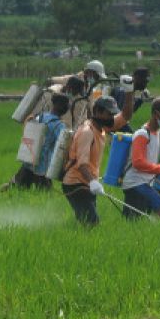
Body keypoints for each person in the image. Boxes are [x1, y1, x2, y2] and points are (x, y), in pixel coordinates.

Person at [61, 96, 119, 227]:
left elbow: (125, 116)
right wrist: (93, 182)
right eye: (109, 114)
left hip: (86, 183)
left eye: (113, 114)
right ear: (97, 111)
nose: (112, 118)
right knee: (92, 223)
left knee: (86, 222)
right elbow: (82, 164)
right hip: (76, 183)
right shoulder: (87, 132)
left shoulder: (100, 130)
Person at [120, 97, 160, 218]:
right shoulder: (142, 134)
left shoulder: (156, 133)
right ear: (157, 114)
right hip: (135, 183)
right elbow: (138, 162)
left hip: (145, 183)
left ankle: (153, 233)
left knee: (138, 219)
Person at [7, 92, 70, 191]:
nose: (67, 107)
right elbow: (64, 147)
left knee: (14, 187)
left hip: (30, 161)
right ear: (58, 105)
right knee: (45, 195)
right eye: (66, 104)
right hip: (43, 167)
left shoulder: (40, 116)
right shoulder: (59, 126)